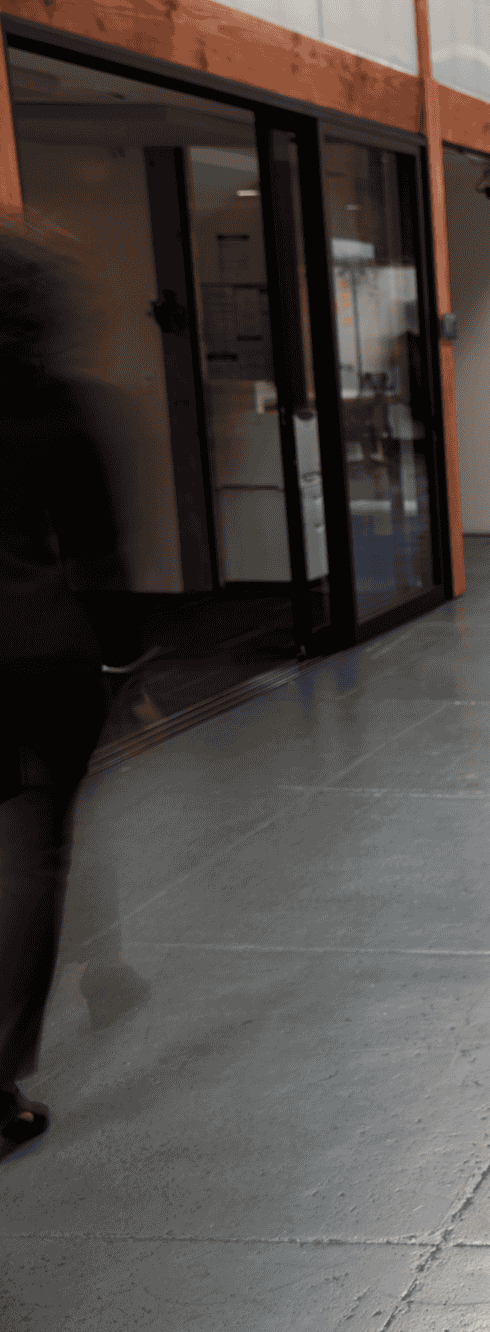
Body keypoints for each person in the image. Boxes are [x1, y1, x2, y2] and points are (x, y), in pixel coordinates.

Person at [0, 229, 138, 1162]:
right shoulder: (55, 409)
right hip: (37, 656)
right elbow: (97, 554)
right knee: (33, 859)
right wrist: (127, 663)